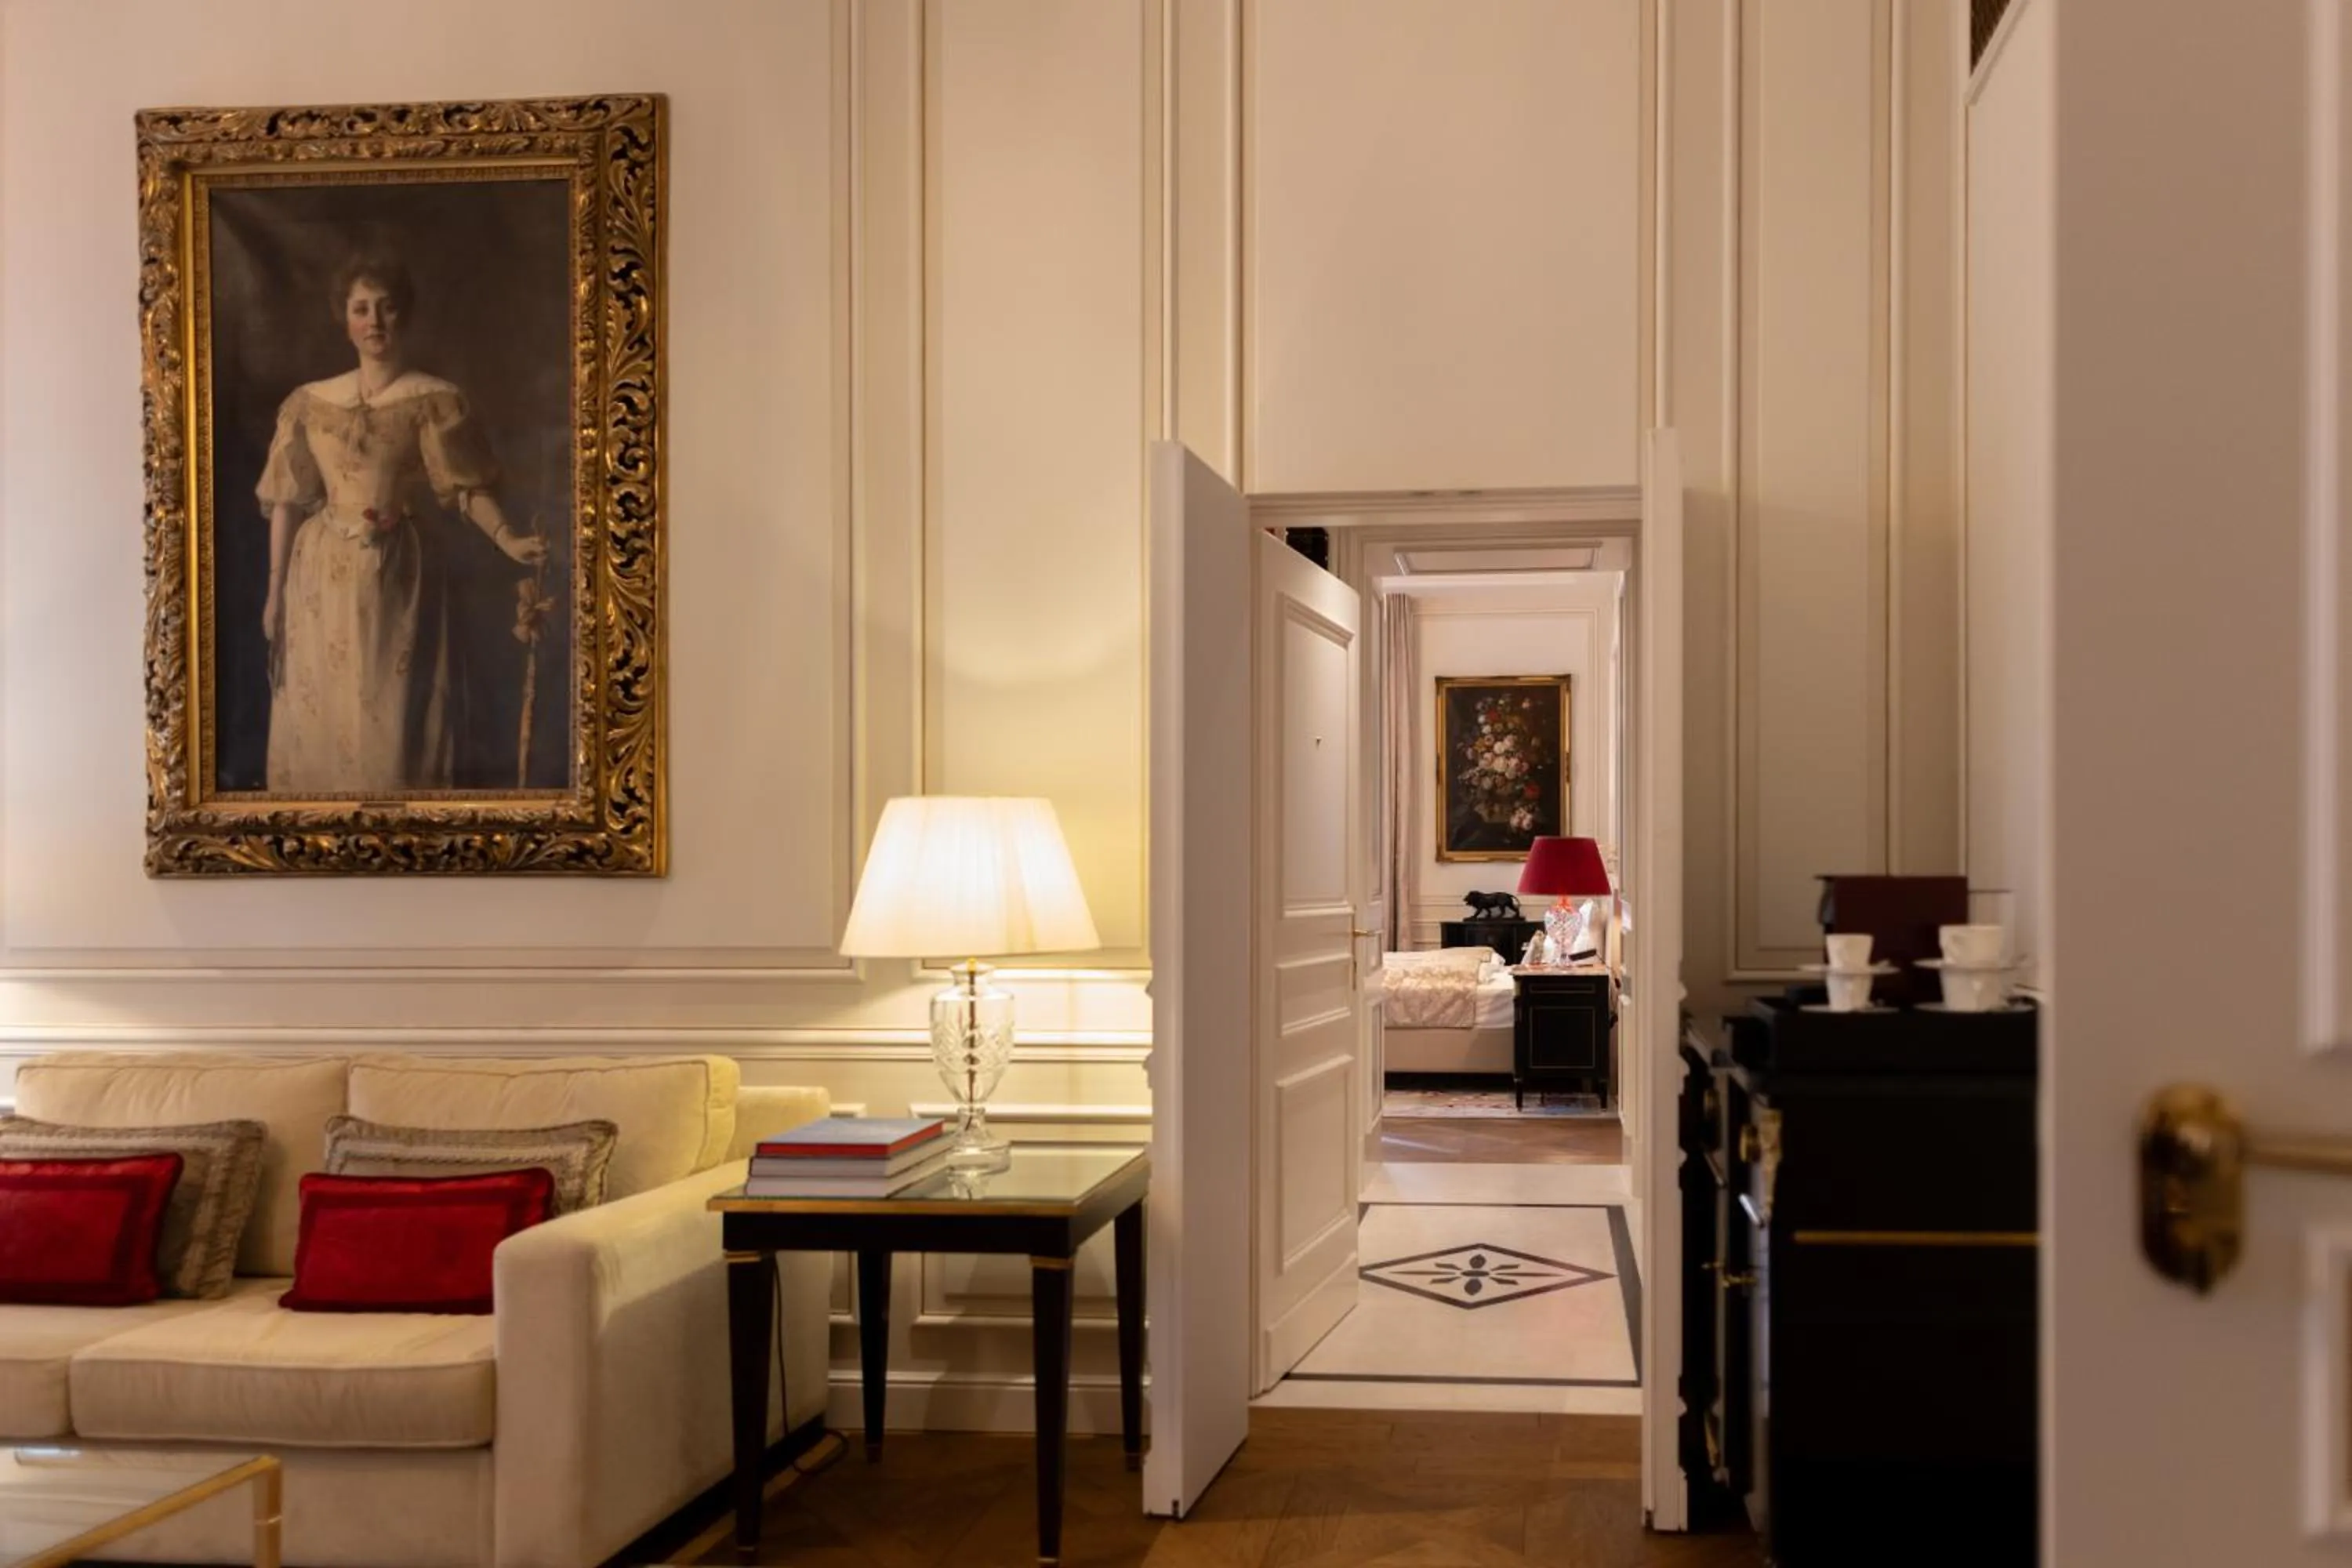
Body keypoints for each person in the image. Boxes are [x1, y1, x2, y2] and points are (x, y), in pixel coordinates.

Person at [256, 253, 546, 793]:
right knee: (325, 706)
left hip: (398, 573)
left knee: (390, 718)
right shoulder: (309, 402)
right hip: (318, 574)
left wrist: (508, 539)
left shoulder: (432, 399)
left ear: (404, 315)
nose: (375, 323)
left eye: (387, 309)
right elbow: (287, 499)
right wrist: (275, 592)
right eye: (361, 309)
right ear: (344, 319)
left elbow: (465, 489)